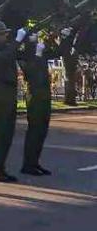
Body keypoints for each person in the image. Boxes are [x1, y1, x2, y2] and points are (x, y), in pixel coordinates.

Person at [18, 28, 71, 176]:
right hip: (34, 95)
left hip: (44, 95)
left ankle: (35, 163)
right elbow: (30, 72)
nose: (36, 37)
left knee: (42, 131)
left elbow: (58, 52)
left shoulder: (40, 52)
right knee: (34, 131)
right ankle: (28, 165)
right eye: (32, 35)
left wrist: (65, 38)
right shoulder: (24, 55)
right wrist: (37, 54)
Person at [0, 19, 26, 182]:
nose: (5, 37)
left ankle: (0, 168)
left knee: (7, 133)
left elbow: (20, 54)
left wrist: (28, 40)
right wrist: (17, 40)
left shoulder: (7, 48)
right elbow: (2, 59)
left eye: (6, 34)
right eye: (1, 34)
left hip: (9, 92)